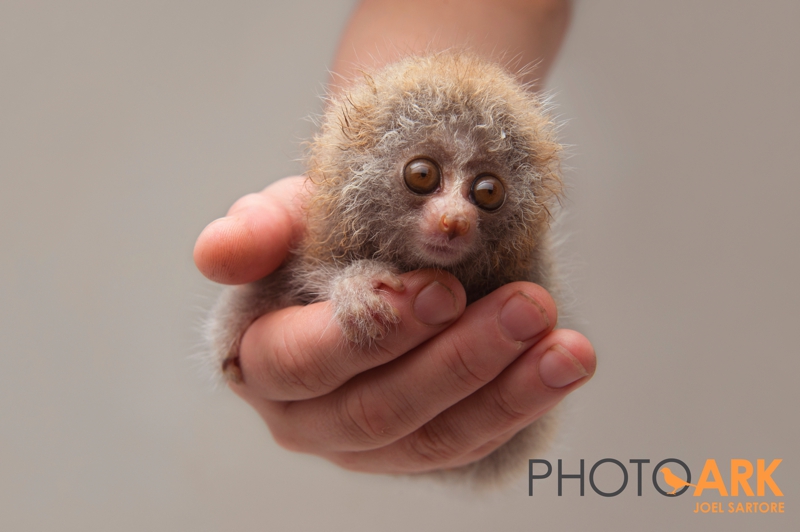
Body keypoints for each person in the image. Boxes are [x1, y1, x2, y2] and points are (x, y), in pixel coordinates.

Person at [193, 0, 595, 476]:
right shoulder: (337, 211)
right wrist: (297, 286)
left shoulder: (515, 263)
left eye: (486, 192)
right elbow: (302, 266)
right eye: (423, 176)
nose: (455, 216)